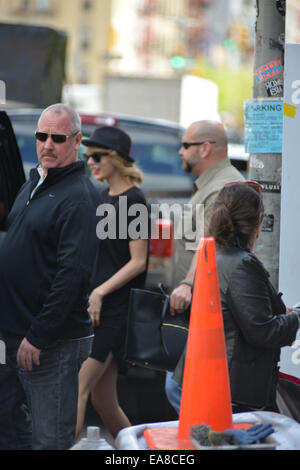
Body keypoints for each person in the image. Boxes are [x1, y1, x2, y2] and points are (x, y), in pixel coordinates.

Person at [0, 103, 100, 450]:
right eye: (42, 136)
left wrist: (38, 336)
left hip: (49, 343)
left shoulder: (79, 198)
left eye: (58, 138)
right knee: (10, 430)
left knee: (48, 440)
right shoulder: (34, 184)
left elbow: (72, 276)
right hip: (13, 334)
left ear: (76, 142)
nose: (47, 145)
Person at [169, 181, 300, 414]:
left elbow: (243, 316)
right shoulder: (241, 264)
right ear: (258, 220)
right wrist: (297, 316)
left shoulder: (217, 256)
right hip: (232, 391)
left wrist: (282, 314)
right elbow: (264, 331)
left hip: (215, 383)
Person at [75, 126, 149, 441]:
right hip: (97, 309)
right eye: (87, 155)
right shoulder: (102, 196)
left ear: (116, 159)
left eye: (97, 156)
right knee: (105, 401)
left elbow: (138, 261)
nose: (90, 161)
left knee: (76, 388)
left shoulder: (134, 201)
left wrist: (100, 291)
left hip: (114, 310)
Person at [165, 120, 244, 409]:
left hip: (210, 304)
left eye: (186, 145)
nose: (180, 152)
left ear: (206, 148)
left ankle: (202, 440)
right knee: (180, 385)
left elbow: (209, 243)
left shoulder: (222, 187)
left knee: (179, 386)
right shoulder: (210, 184)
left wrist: (187, 283)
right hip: (201, 304)